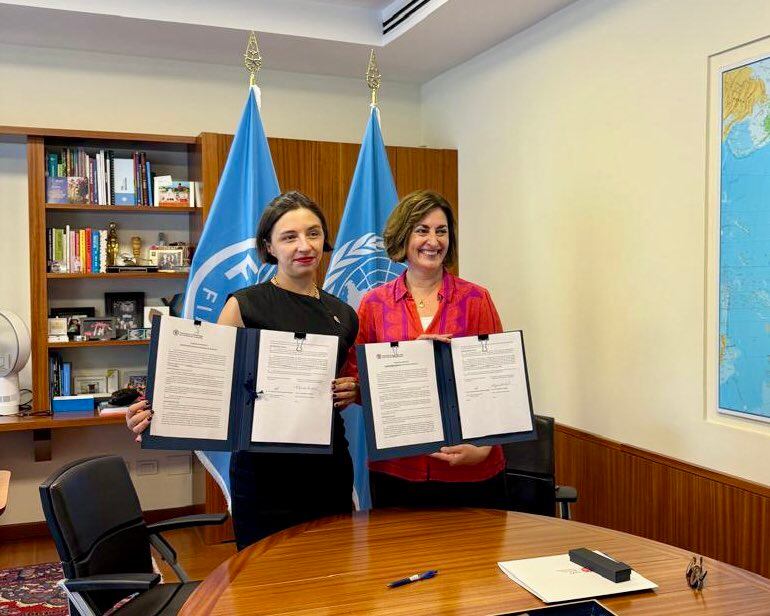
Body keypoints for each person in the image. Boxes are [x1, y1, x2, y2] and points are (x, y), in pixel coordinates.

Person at [126, 191, 359, 550]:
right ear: (269, 246)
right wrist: (155, 416)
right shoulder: (243, 305)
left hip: (327, 468)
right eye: (289, 237)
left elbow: (340, 385)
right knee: (262, 571)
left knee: (331, 565)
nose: (304, 245)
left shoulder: (344, 314)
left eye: (313, 233)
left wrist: (350, 389)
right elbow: (210, 382)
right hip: (262, 474)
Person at [347, 189, 507, 510]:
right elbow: (358, 383)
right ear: (403, 236)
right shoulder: (374, 305)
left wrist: (484, 448)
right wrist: (405, 365)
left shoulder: (476, 299)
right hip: (397, 469)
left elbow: (498, 380)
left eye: (441, 231)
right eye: (422, 230)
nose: (433, 241)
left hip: (470, 467)